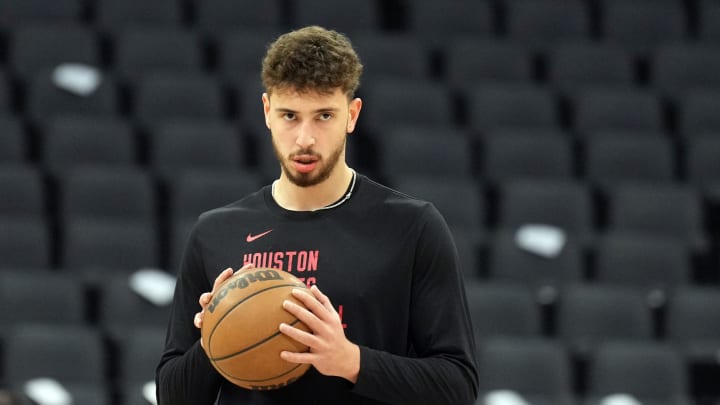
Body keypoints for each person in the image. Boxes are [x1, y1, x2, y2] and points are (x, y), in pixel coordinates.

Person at [156, 25, 478, 405]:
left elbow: (458, 386)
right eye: (290, 115)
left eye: (324, 116)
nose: (305, 138)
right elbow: (172, 397)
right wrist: (218, 337)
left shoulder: (413, 226)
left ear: (352, 115)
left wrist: (351, 361)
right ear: (266, 112)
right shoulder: (215, 232)